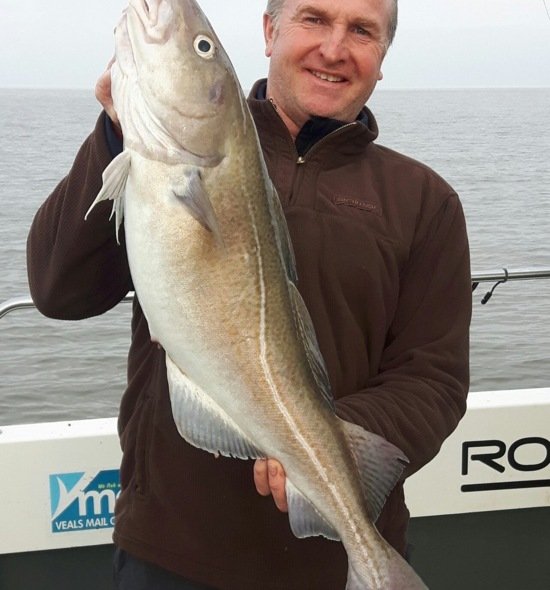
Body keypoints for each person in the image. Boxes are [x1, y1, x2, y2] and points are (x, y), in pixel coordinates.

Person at [27, 0, 471, 588]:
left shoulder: (424, 201)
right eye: (314, 19)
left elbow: (434, 378)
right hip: (171, 548)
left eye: (361, 30)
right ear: (268, 31)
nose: (334, 49)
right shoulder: (150, 163)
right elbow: (60, 292)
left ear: (382, 58)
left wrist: (333, 441)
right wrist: (115, 133)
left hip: (335, 559)